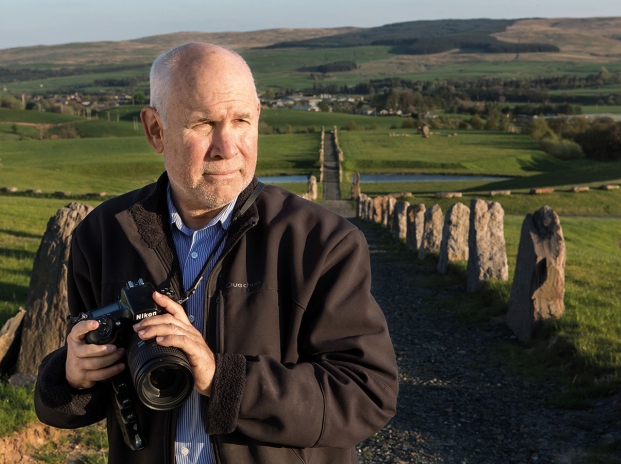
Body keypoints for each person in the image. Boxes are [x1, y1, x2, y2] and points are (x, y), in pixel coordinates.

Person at [34, 42, 398, 464]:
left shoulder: (323, 242)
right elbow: (94, 394)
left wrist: (221, 379)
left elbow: (366, 394)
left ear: (258, 117)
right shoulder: (103, 235)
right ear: (155, 130)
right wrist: (71, 376)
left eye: (241, 120)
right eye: (204, 123)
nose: (227, 146)